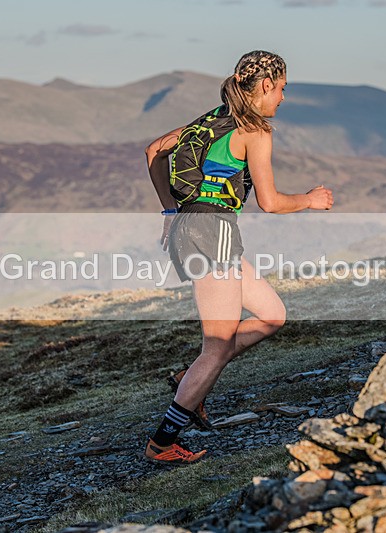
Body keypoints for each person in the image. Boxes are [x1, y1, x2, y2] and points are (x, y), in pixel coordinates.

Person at [143, 50, 334, 464]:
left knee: (271, 314)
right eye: (282, 88)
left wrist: (170, 211)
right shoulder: (255, 131)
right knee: (216, 346)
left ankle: (187, 380)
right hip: (213, 233)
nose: (283, 98)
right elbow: (269, 201)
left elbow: (154, 151)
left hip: (197, 229)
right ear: (266, 85)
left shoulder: (209, 120)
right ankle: (162, 442)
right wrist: (310, 200)